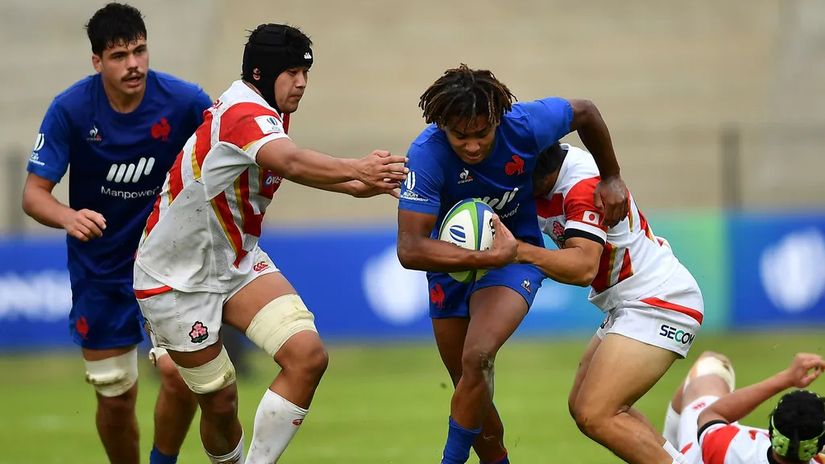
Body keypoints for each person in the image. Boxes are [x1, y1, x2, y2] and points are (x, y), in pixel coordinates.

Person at [132, 23, 407, 464]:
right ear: (261, 73)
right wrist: (356, 167)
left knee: (308, 356)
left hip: (234, 263)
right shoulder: (244, 111)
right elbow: (292, 161)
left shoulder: (270, 110)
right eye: (292, 72)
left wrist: (358, 184)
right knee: (219, 401)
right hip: (173, 278)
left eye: (305, 73)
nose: (301, 83)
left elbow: (287, 166)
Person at [396, 64, 629, 464]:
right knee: (468, 383)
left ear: (497, 120)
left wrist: (611, 176)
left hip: (514, 256)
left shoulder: (525, 124)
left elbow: (586, 111)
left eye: (482, 134)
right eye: (460, 136)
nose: (471, 146)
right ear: (442, 127)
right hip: (451, 265)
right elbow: (410, 249)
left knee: (477, 356)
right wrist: (483, 256)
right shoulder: (426, 154)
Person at [21, 3, 212, 463]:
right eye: (120, 55)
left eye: (140, 51)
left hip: (169, 263)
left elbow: (232, 146)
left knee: (180, 376)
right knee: (114, 393)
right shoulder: (70, 109)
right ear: (97, 62)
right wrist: (67, 216)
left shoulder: (185, 102)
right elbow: (33, 194)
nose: (134, 64)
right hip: (102, 269)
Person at [514, 142, 705, 463]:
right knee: (583, 406)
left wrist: (516, 251)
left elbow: (583, 268)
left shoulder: (583, 188)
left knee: (597, 413)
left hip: (660, 300)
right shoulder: (542, 163)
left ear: (543, 173)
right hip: (630, 302)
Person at [664, 350, 825, 463]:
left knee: (711, 363)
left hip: (696, 454)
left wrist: (787, 378)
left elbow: (713, 413)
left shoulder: (728, 449)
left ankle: (667, 450)